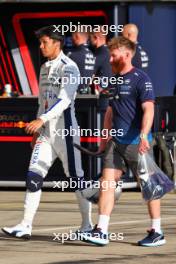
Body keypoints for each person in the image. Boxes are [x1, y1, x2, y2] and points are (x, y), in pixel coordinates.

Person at [2, 25, 92, 239]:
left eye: (44, 42)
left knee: (76, 178)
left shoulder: (69, 67)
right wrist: (38, 128)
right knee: (34, 175)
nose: (41, 46)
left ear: (57, 43)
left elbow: (64, 100)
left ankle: (87, 225)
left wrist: (41, 119)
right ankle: (25, 225)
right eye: (40, 42)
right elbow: (43, 102)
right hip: (46, 133)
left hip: (66, 133)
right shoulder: (44, 67)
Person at [82, 36, 166, 247]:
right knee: (107, 183)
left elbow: (149, 108)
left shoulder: (141, 78)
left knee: (149, 186)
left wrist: (144, 134)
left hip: (138, 143)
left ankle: (157, 231)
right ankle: (101, 230)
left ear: (127, 55)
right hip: (115, 144)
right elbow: (110, 111)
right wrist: (104, 138)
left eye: (114, 54)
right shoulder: (114, 80)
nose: (109, 59)